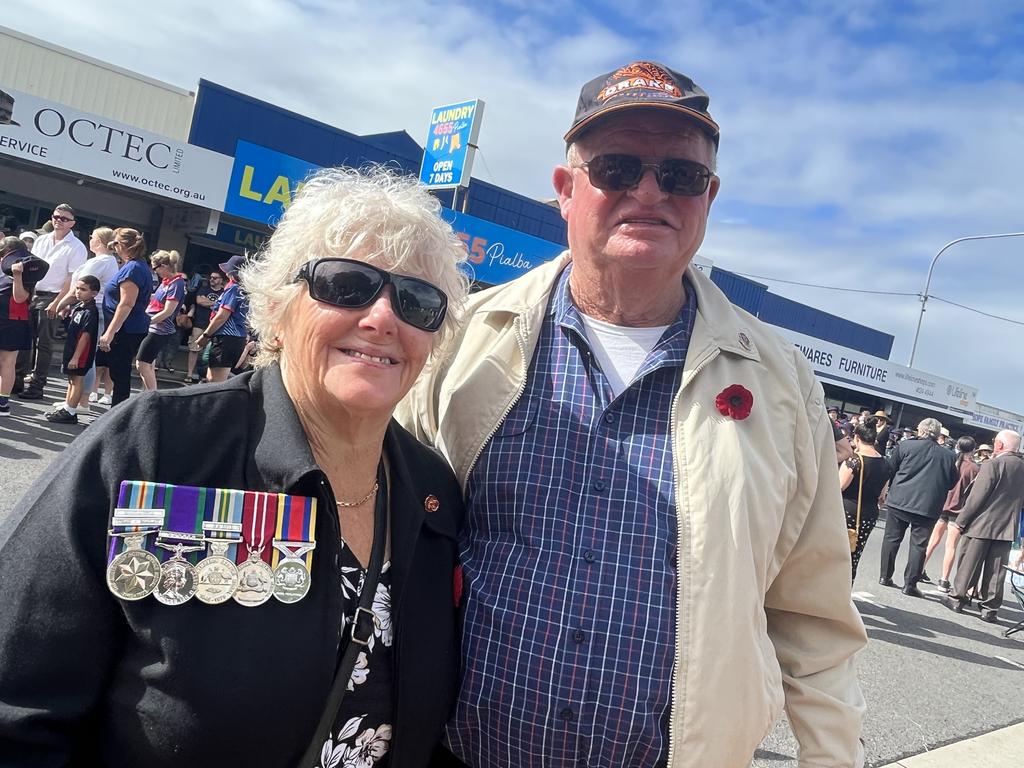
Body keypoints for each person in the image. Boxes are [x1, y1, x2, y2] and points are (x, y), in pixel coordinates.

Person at [399, 60, 867, 768]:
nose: (649, 192)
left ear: (708, 196)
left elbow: (815, 616)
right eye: (616, 168)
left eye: (679, 176)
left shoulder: (781, 383)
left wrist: (831, 757)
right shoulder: (464, 339)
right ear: (565, 190)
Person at [0, 166, 470, 766]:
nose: (382, 317)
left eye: (417, 300)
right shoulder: (157, 446)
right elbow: (17, 709)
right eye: (346, 284)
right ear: (276, 304)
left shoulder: (432, 495)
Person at [943, 430, 1024, 622]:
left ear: (1000, 445)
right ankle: (990, 609)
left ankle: (958, 597)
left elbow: (977, 497)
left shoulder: (992, 464)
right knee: (997, 570)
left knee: (969, 562)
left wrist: (961, 521)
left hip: (982, 522)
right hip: (1007, 525)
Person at [878, 417, 958, 596]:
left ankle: (885, 576)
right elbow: (953, 481)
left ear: (920, 431)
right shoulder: (948, 455)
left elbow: (890, 468)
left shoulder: (906, 446)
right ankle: (910, 585)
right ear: (938, 435)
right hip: (927, 507)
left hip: (899, 500)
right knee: (918, 546)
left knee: (891, 539)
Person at [16, 203, 88, 398]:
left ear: (72, 223)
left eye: (64, 219)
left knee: (44, 343)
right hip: (33, 292)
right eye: (56, 217)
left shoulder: (76, 247)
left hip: (53, 296)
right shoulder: (43, 240)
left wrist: (58, 302)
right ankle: (18, 379)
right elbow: (33, 267)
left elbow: (72, 278)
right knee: (24, 339)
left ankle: (37, 385)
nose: (58, 221)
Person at [56, 226, 120, 409]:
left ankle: (82, 400)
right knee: (85, 354)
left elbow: (81, 285)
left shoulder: (103, 261)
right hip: (88, 307)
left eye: (92, 237)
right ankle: (75, 399)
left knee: (87, 355)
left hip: (95, 309)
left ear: (98, 241)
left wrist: (58, 304)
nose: (90, 239)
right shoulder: (105, 260)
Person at [96, 228, 153, 405]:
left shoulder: (133, 269)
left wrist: (110, 332)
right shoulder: (136, 265)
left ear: (122, 245)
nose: (114, 248)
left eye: (115, 244)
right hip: (128, 327)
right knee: (116, 372)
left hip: (126, 329)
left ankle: (119, 419)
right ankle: (118, 416)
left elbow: (127, 303)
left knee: (119, 375)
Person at [0, 236, 49, 416]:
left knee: (7, 361)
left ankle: (3, 403)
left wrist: (18, 275)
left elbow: (20, 298)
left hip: (14, 320)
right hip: (3, 317)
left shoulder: (26, 269)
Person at [839, 416, 892, 580]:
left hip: (847, 511)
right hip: (869, 514)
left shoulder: (855, 460)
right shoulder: (885, 463)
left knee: (837, 553)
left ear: (857, 438)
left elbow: (839, 486)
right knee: (854, 554)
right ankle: (846, 591)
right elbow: (883, 496)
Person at [925, 436, 980, 592]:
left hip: (943, 505)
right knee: (951, 547)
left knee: (933, 541)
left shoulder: (951, 462)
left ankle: (919, 569)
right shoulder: (974, 469)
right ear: (973, 449)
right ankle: (944, 580)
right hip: (959, 510)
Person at [45, 275, 100, 424]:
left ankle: (71, 411)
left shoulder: (91, 312)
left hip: (81, 353)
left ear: (94, 293)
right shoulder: (79, 307)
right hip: (71, 348)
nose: (78, 292)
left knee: (77, 379)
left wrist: (76, 357)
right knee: (71, 378)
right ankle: (68, 405)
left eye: (83, 289)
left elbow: (86, 336)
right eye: (77, 288)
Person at [193, 255, 249, 382]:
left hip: (226, 338)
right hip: (237, 338)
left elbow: (222, 316)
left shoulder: (234, 288)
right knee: (217, 379)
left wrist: (205, 335)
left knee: (214, 382)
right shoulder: (245, 290)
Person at [135, 250, 186, 391]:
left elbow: (168, 311)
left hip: (160, 328)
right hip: (153, 325)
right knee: (149, 363)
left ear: (163, 266)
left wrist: (147, 322)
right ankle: (146, 393)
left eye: (155, 268)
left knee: (142, 363)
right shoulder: (167, 282)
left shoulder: (177, 284)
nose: (154, 271)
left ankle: (152, 396)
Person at [183, 268, 224, 383]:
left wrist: (208, 302)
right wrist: (216, 304)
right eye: (211, 277)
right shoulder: (203, 289)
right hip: (200, 323)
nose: (212, 279)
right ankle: (190, 374)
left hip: (215, 325)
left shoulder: (224, 292)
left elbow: (224, 306)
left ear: (221, 280)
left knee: (210, 352)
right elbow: (199, 301)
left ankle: (205, 376)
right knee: (194, 348)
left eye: (215, 278)